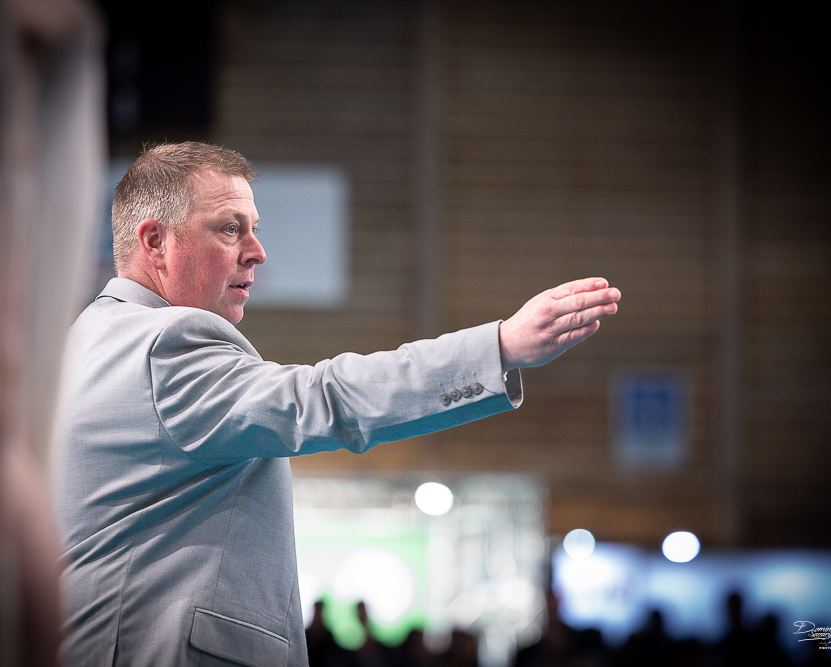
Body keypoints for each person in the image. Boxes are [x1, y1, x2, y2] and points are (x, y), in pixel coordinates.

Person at [53, 142, 621, 666]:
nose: (257, 252)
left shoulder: (88, 340)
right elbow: (323, 398)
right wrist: (499, 348)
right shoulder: (164, 344)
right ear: (155, 242)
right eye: (230, 229)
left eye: (254, 229)